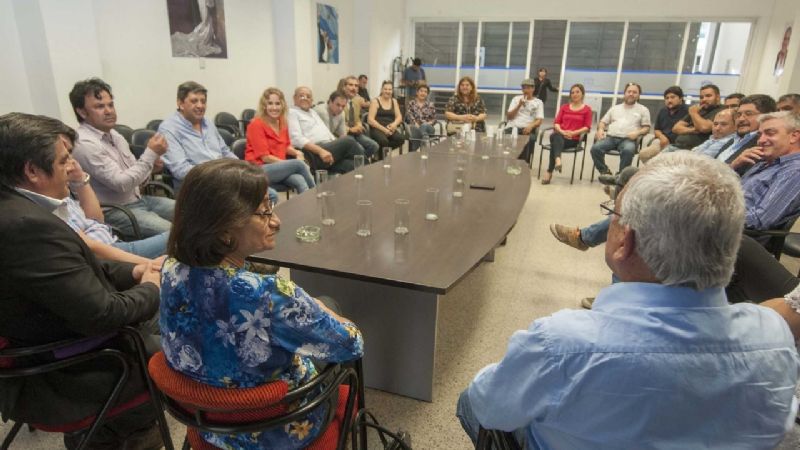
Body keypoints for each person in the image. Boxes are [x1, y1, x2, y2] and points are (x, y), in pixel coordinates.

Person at [458, 151, 800, 449]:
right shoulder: (776, 339)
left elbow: (488, 404)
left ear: (626, 240)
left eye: (613, 214)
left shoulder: (562, 344)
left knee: (470, 400)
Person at [160, 158, 364, 449]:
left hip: (207, 422)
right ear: (224, 231)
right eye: (264, 213)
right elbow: (352, 344)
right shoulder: (269, 293)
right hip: (275, 428)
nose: (276, 221)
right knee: (331, 308)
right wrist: (323, 310)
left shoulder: (171, 269)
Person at [0, 112, 163, 450]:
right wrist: (152, 287)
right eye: (62, 162)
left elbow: (78, 272)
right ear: (32, 170)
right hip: (67, 371)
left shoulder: (21, 209)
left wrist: (134, 272)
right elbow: (102, 313)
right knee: (180, 348)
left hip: (46, 340)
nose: (71, 170)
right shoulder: (26, 226)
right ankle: (115, 436)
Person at [551, 111, 800, 254]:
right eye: (762, 133)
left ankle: (588, 241)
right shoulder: (766, 161)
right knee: (641, 205)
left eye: (770, 133)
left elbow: (759, 220)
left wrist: (700, 206)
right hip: (719, 211)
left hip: (730, 231)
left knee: (643, 213)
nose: (762, 139)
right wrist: (735, 169)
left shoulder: (793, 171)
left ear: (794, 136)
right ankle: (594, 248)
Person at [69, 77, 175, 239]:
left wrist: (151, 168)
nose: (109, 111)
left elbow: (136, 178)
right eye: (99, 106)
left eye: (110, 105)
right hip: (115, 210)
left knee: (193, 211)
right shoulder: (84, 144)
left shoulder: (115, 135)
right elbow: (122, 184)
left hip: (139, 199)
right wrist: (150, 154)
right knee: (174, 234)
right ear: (82, 112)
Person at [62, 159, 168, 260]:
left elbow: (97, 220)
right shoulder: (52, 209)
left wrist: (81, 179)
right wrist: (149, 264)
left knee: (180, 226)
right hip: (111, 252)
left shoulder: (63, 197)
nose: (71, 166)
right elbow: (92, 250)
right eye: (62, 161)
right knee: (177, 234)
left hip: (116, 239)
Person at [158, 81, 237, 190]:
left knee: (259, 183)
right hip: (195, 187)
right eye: (194, 101)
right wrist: (218, 172)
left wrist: (241, 167)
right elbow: (181, 171)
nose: (200, 105)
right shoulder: (169, 129)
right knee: (251, 194)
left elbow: (225, 152)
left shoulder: (208, 123)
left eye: (203, 101)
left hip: (222, 178)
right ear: (180, 103)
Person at [245, 87, 315, 194]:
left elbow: (285, 145)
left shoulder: (282, 122)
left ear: (282, 105)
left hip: (278, 168)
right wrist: (290, 164)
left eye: (277, 103)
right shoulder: (255, 124)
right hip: (258, 170)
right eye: (270, 103)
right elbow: (265, 157)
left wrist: (297, 152)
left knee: (299, 180)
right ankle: (317, 194)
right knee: (298, 165)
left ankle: (309, 206)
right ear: (264, 105)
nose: (274, 108)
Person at [287, 86, 363, 174]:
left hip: (328, 149)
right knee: (349, 141)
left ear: (312, 100)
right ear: (294, 98)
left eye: (308, 96)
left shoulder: (312, 112)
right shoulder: (292, 113)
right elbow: (296, 139)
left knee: (352, 165)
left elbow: (327, 132)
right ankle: (371, 176)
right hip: (314, 153)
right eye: (301, 96)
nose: (305, 98)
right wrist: (321, 151)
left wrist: (337, 146)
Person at [590, 82, 650, 177]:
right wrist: (600, 130)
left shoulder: (643, 110)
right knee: (595, 148)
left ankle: (621, 176)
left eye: (634, 92)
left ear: (638, 95)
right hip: (610, 138)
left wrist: (638, 133)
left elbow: (646, 128)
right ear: (624, 93)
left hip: (628, 140)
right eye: (629, 91)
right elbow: (602, 122)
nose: (631, 94)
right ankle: (605, 172)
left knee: (628, 151)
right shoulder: (615, 108)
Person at [541, 83, 592, 184]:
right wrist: (562, 131)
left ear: (582, 94)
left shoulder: (587, 109)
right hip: (560, 134)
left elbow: (587, 127)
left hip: (573, 139)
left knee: (554, 144)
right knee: (555, 136)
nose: (575, 94)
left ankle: (549, 170)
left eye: (577, 92)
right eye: (572, 92)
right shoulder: (564, 107)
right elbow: (556, 123)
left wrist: (573, 133)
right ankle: (558, 160)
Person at [721, 94, 777, 174]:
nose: (741, 119)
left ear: (767, 117)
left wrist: (733, 165)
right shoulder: (733, 140)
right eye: (739, 115)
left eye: (748, 114)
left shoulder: (763, 145)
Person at [638, 86, 689, 162]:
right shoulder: (663, 111)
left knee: (661, 160)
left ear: (680, 98)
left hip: (679, 145)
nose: (669, 100)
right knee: (643, 155)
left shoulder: (688, 112)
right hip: (662, 141)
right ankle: (654, 171)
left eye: (672, 97)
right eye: (667, 98)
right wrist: (662, 137)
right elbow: (657, 130)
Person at [670, 84, 724, 150]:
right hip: (676, 145)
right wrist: (692, 130)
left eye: (708, 96)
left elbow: (704, 128)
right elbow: (675, 128)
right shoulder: (698, 110)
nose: (704, 99)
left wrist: (694, 113)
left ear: (717, 97)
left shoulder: (721, 111)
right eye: (701, 97)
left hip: (693, 150)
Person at [505, 78, 544, 164]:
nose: (526, 90)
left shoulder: (538, 102)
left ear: (533, 89)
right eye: (524, 88)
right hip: (512, 127)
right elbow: (509, 117)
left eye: (528, 88)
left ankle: (522, 165)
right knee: (504, 138)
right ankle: (508, 163)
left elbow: (539, 120)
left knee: (528, 140)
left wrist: (531, 126)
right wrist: (519, 105)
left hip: (527, 128)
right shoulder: (516, 99)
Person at [340, 76, 379, 159]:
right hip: (343, 134)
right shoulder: (339, 102)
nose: (353, 88)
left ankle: (357, 163)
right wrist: (350, 129)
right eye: (351, 85)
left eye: (356, 86)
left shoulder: (356, 101)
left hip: (355, 133)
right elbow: (335, 125)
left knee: (374, 146)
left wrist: (359, 125)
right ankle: (358, 163)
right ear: (344, 87)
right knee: (360, 150)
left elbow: (357, 118)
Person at [367, 80, 405, 154]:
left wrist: (394, 124)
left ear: (392, 91)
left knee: (400, 139)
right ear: (381, 90)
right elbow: (370, 120)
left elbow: (399, 116)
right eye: (385, 89)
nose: (387, 91)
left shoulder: (394, 101)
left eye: (390, 89)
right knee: (384, 141)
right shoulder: (375, 101)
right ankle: (383, 158)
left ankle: (382, 154)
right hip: (377, 128)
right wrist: (384, 130)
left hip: (390, 128)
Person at [405, 82, 438, 152]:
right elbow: (409, 116)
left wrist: (427, 124)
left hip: (429, 128)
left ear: (427, 94)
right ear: (417, 92)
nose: (423, 93)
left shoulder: (430, 105)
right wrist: (415, 123)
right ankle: (424, 148)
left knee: (424, 126)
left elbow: (434, 119)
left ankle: (413, 152)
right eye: (421, 91)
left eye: (425, 92)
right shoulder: (411, 103)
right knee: (415, 130)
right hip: (414, 127)